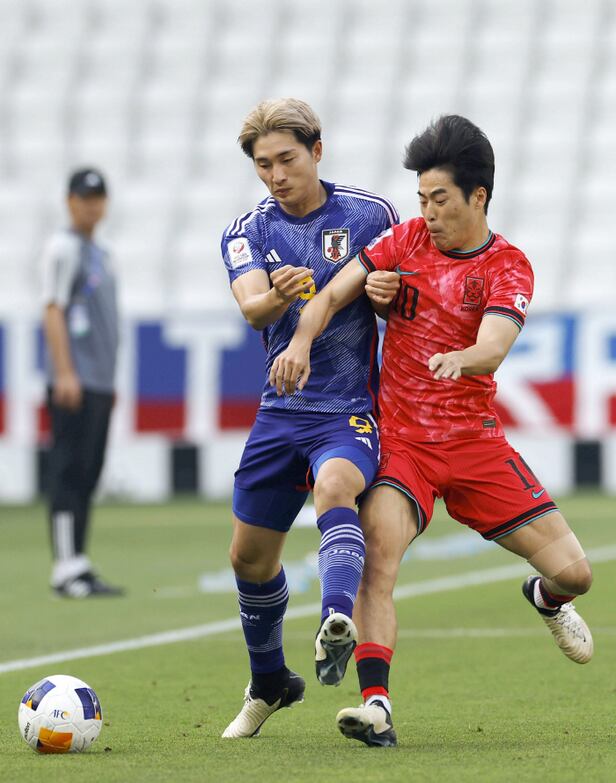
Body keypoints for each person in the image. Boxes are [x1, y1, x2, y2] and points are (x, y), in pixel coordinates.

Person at [271, 115, 593, 748]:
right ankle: (376, 706)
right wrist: (302, 340)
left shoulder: (508, 265)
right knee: (378, 562)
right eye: (420, 198)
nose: (427, 212)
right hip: (403, 445)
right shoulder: (405, 241)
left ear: (478, 195)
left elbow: (494, 346)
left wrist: (460, 359)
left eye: (439, 199)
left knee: (576, 574)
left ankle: (545, 599)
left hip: (474, 443)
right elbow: (333, 294)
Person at [219, 98, 400, 739]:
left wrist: (388, 295)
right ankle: (270, 681)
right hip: (280, 412)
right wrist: (277, 294)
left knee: (335, 486)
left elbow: (399, 301)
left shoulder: (370, 215)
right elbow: (251, 310)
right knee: (248, 560)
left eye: (286, 159)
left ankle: (334, 621)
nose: (275, 175)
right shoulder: (247, 229)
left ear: (316, 151)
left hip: (347, 411)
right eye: (263, 164)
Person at [42, 167, 124, 598]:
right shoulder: (65, 248)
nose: (91, 206)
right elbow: (53, 309)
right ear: (69, 201)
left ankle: (78, 559)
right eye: (83, 198)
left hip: (97, 381)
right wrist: (65, 372)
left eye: (97, 198)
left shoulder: (98, 252)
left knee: (88, 471)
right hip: (76, 380)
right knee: (68, 470)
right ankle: (65, 567)